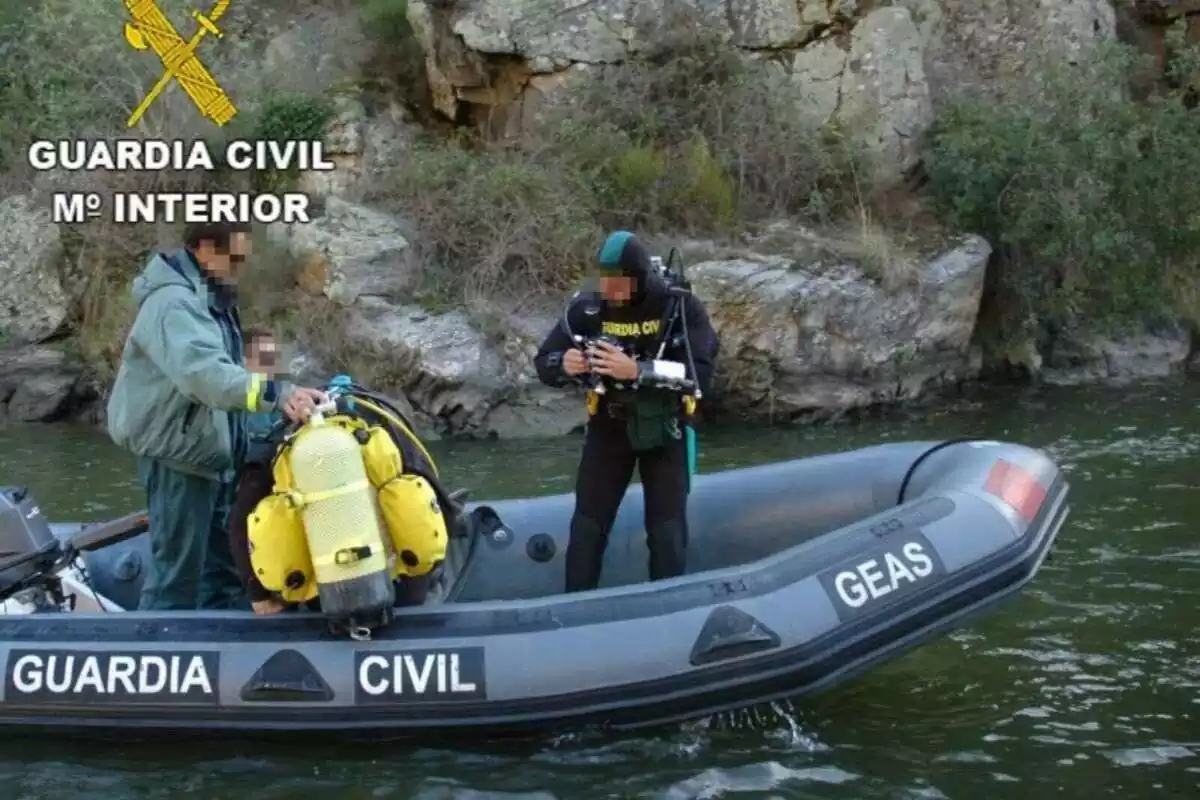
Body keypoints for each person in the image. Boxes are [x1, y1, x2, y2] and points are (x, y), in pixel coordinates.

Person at [106, 221, 327, 611]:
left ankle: (226, 648)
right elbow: (206, 375)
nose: (241, 267)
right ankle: (155, 656)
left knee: (224, 574)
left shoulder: (207, 298)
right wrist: (278, 395)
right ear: (205, 248)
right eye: (235, 257)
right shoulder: (173, 304)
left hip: (213, 458)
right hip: (180, 459)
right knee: (176, 580)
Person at [534, 231, 719, 592]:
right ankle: (574, 611)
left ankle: (666, 611)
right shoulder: (587, 308)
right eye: (605, 279)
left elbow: (703, 378)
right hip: (608, 429)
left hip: (665, 429)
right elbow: (544, 362)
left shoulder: (678, 306)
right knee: (587, 528)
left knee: (666, 534)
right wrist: (564, 362)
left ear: (638, 277)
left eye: (619, 282)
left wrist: (637, 371)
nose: (611, 290)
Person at [226, 325, 288, 614]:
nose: (271, 366)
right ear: (244, 364)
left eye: (274, 358)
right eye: (264, 359)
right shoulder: (234, 407)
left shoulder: (279, 402)